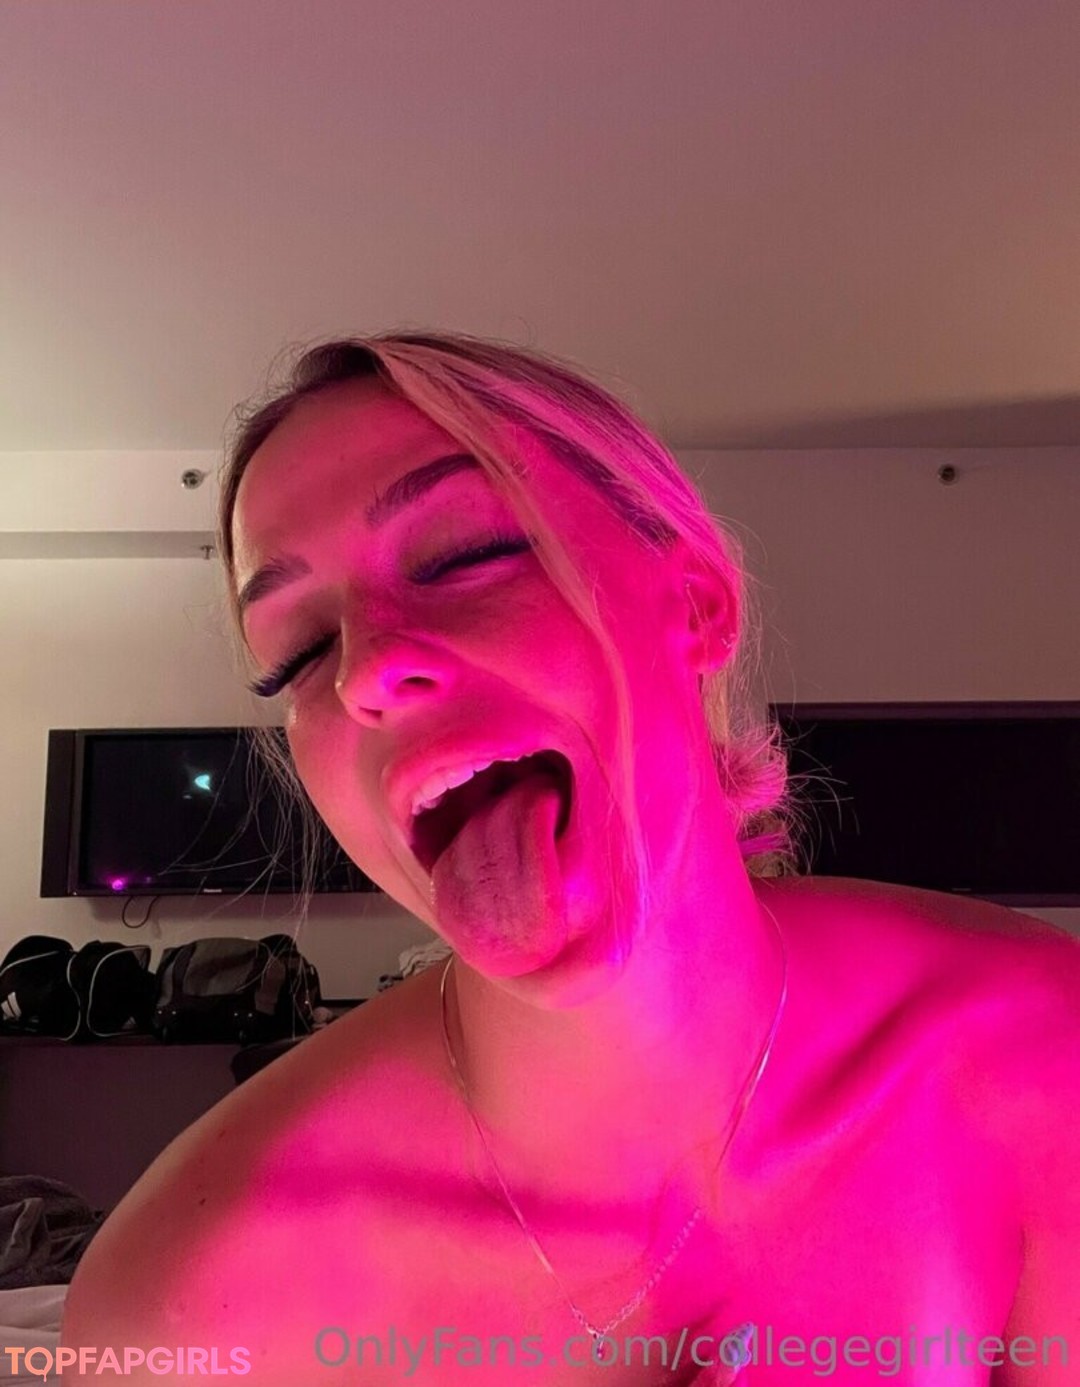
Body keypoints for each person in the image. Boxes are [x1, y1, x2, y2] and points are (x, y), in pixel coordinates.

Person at [63, 333, 1079, 1384]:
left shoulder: (1045, 1059)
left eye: (464, 553)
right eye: (300, 654)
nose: (366, 671)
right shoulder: (186, 1304)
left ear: (696, 601)